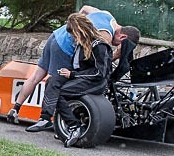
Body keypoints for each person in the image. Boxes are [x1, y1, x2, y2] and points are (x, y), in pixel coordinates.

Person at [6, 6, 140, 124]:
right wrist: (115, 56)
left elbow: (85, 8)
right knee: (59, 84)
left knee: (36, 76)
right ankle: (59, 123)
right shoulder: (105, 35)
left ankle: (15, 109)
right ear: (122, 37)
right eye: (120, 46)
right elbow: (97, 64)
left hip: (57, 34)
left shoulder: (107, 15)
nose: (116, 47)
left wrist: (73, 25)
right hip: (65, 48)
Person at [25, 13, 113, 147]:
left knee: (60, 91)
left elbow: (101, 73)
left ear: (80, 31)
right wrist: (67, 74)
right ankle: (45, 118)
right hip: (81, 78)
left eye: (73, 34)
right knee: (52, 81)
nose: (71, 37)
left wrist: (72, 75)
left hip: (95, 82)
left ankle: (74, 126)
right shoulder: (80, 45)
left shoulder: (99, 46)